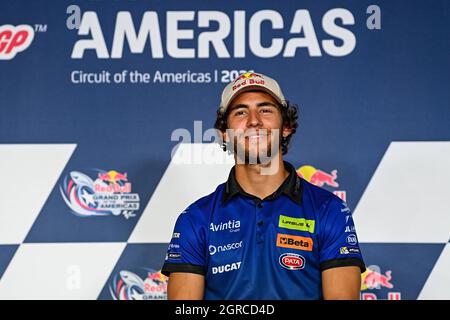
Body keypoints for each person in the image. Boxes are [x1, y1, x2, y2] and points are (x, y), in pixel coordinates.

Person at [161, 72, 365, 300]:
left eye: (265, 110)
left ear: (286, 126)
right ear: (224, 134)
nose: (254, 120)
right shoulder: (196, 218)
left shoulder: (329, 209)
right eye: (240, 112)